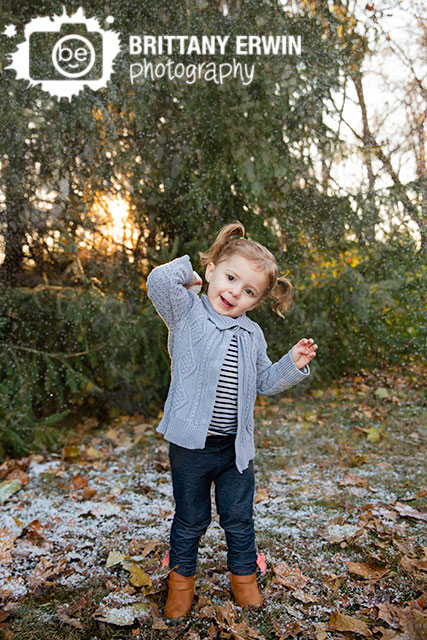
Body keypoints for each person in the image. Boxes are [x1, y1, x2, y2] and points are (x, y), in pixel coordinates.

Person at [146, 221, 317, 619]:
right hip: (190, 446)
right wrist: (187, 274)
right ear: (212, 271)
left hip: (234, 448)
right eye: (229, 277)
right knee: (191, 519)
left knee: (239, 518)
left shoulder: (252, 334)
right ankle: (180, 583)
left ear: (255, 302)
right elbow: (157, 282)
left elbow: (263, 382)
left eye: (248, 291)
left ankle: (243, 579)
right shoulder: (187, 311)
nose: (234, 292)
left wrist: (291, 364)